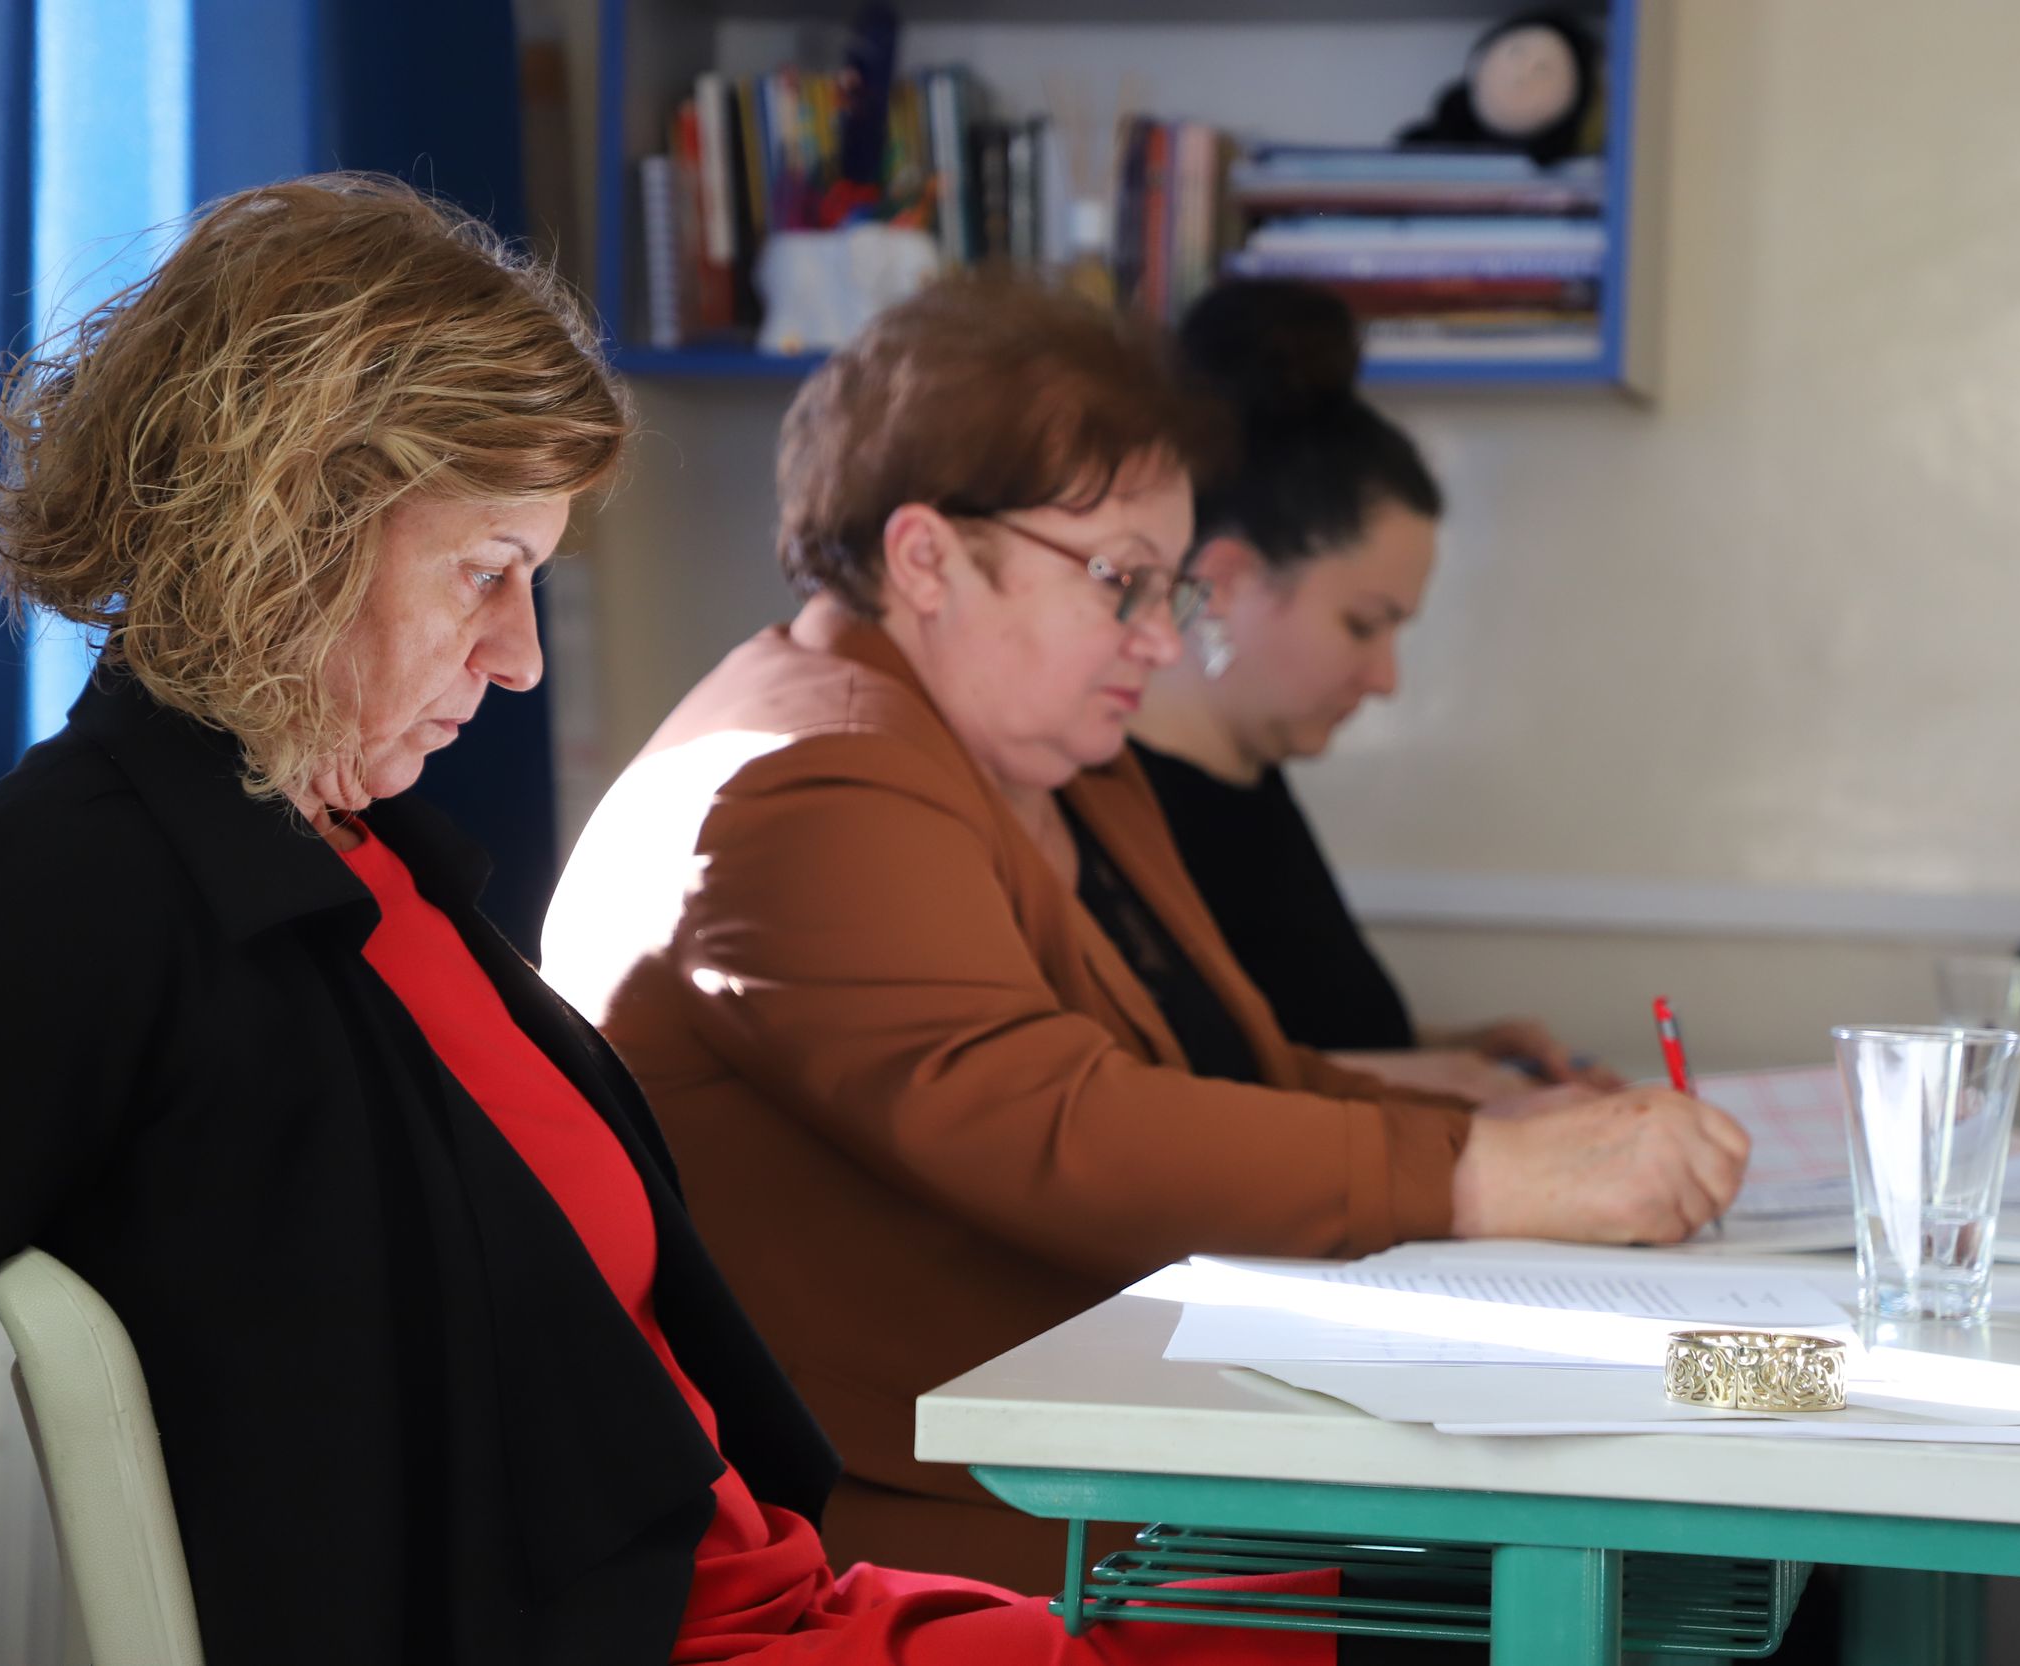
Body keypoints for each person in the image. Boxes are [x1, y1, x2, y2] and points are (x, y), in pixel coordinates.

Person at [0, 176, 1367, 1666]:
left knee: (1351, 1607)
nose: (520, 658)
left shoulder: (346, 850)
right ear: (288, 535)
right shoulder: (88, 884)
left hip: (774, 1599)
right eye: (487, 574)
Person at [541, 274, 1752, 1592]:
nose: (1162, 643)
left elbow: (1228, 1072)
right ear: (926, 558)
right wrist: (1485, 1173)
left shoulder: (1049, 766)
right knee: (1676, 1566)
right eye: (1120, 581)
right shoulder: (806, 776)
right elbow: (1054, 1123)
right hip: (942, 1533)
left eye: (1171, 591)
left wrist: (1513, 1131)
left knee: (1700, 1535)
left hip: (1111, 1437)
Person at [1131, 279, 1630, 1107]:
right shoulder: (1119, 809)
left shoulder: (1252, 779)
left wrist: (1459, 1052)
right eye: (1363, 625)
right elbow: (1168, 1098)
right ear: (1225, 581)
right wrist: (1440, 1086)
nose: (1386, 679)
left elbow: (1294, 1039)